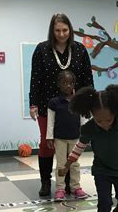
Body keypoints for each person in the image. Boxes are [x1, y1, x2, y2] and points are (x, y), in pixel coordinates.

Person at [29, 13, 94, 198]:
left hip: (74, 106)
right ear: (52, 31)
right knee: (47, 143)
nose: (61, 34)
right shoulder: (42, 49)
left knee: (71, 144)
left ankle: (69, 183)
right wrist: (33, 103)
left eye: (65, 30)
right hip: (47, 105)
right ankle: (45, 182)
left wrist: (89, 102)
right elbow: (36, 79)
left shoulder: (80, 50)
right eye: (57, 30)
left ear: (70, 30)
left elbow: (87, 79)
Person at [46, 70, 88, 202]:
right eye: (64, 83)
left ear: (74, 84)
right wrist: (49, 137)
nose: (68, 86)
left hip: (75, 138)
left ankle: (76, 187)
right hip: (60, 139)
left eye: (70, 83)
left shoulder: (78, 101)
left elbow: (83, 119)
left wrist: (85, 134)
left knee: (75, 163)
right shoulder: (54, 102)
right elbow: (50, 121)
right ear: (59, 84)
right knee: (61, 164)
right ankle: (60, 189)